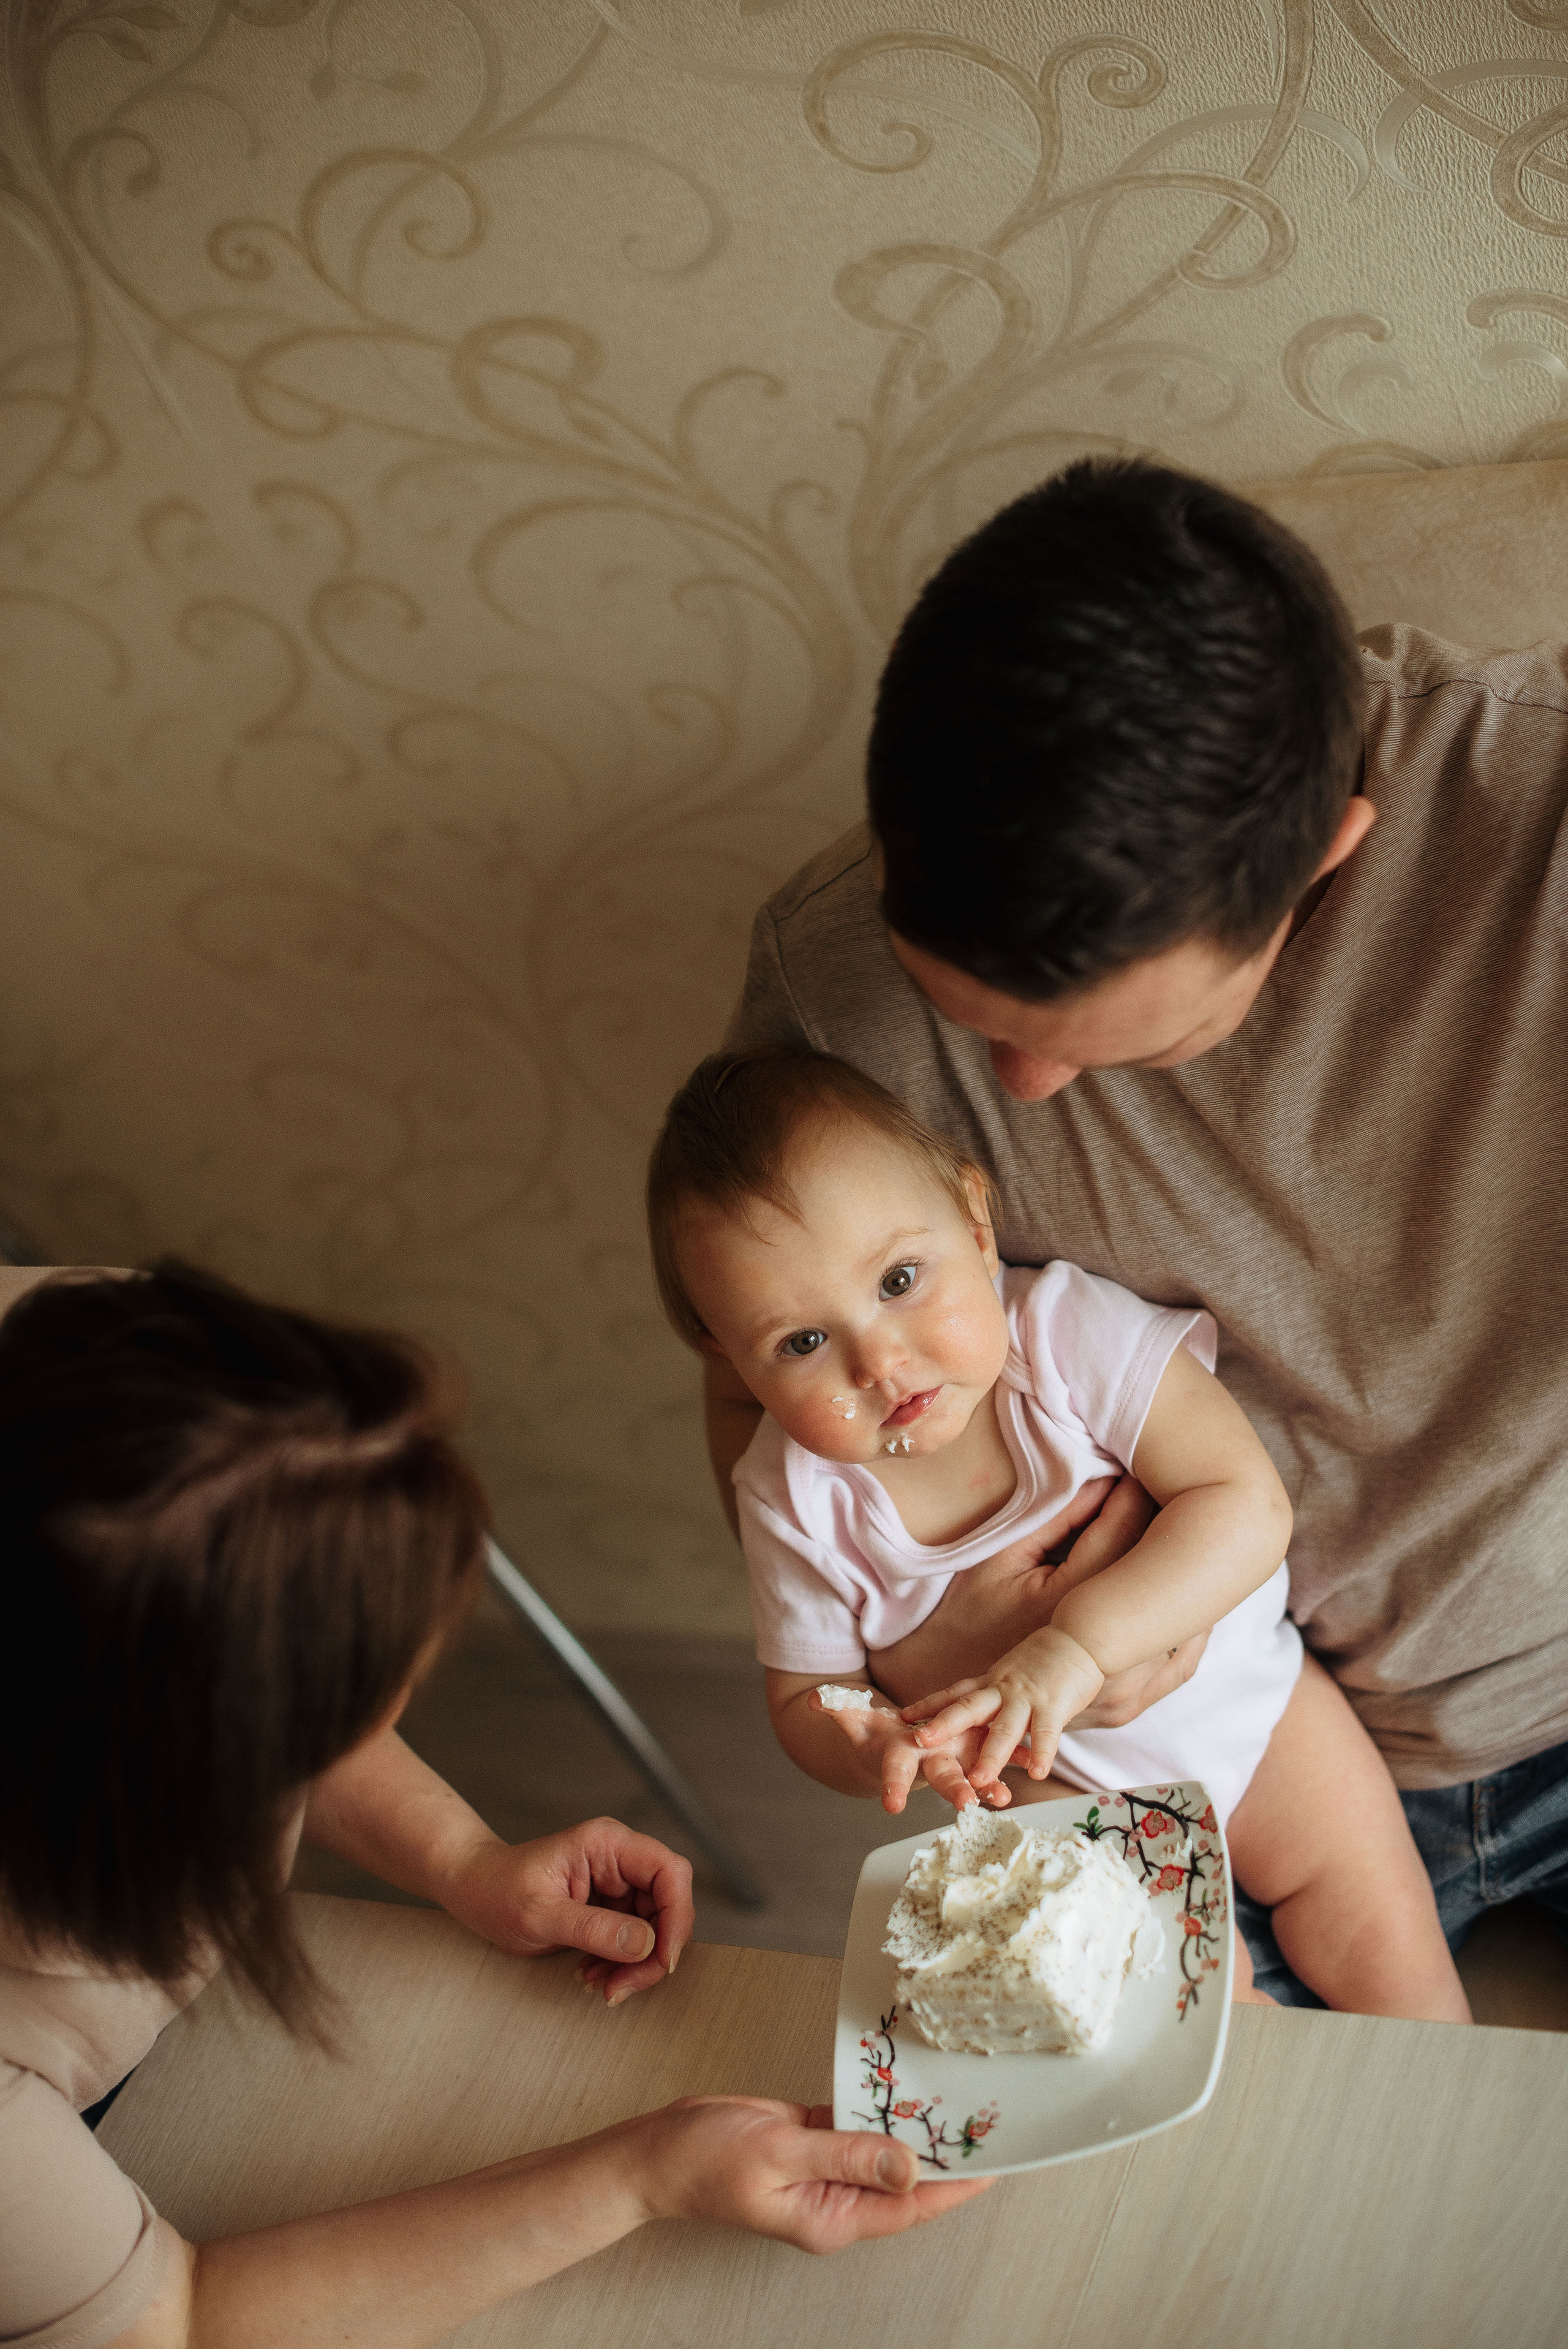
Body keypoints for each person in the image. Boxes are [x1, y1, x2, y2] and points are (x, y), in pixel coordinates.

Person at [715, 455, 1568, 2002]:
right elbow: (751, 1369)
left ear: (1325, 856)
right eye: (967, 1021)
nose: (1022, 1091)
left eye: (1111, 1043)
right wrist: (929, 1646)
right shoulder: (827, 983)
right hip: (1207, 1748)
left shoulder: (1540, 832)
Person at [0, 1263, 986, 2349]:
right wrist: (642, 2173)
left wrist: (459, 1856)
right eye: (327, 1724)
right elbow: (173, 2325)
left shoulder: (80, 1367)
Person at [647, 1047, 1468, 2022]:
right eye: (802, 1343)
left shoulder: (1061, 1335)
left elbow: (1243, 1502)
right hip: (1058, 1795)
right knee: (1187, 2004)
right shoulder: (791, 1494)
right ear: (729, 1357)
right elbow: (806, 1694)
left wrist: (1075, 1648)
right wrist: (867, 1740)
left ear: (976, 1222)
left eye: (901, 1278)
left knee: (1381, 1936)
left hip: (1252, 1710)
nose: (879, 1359)